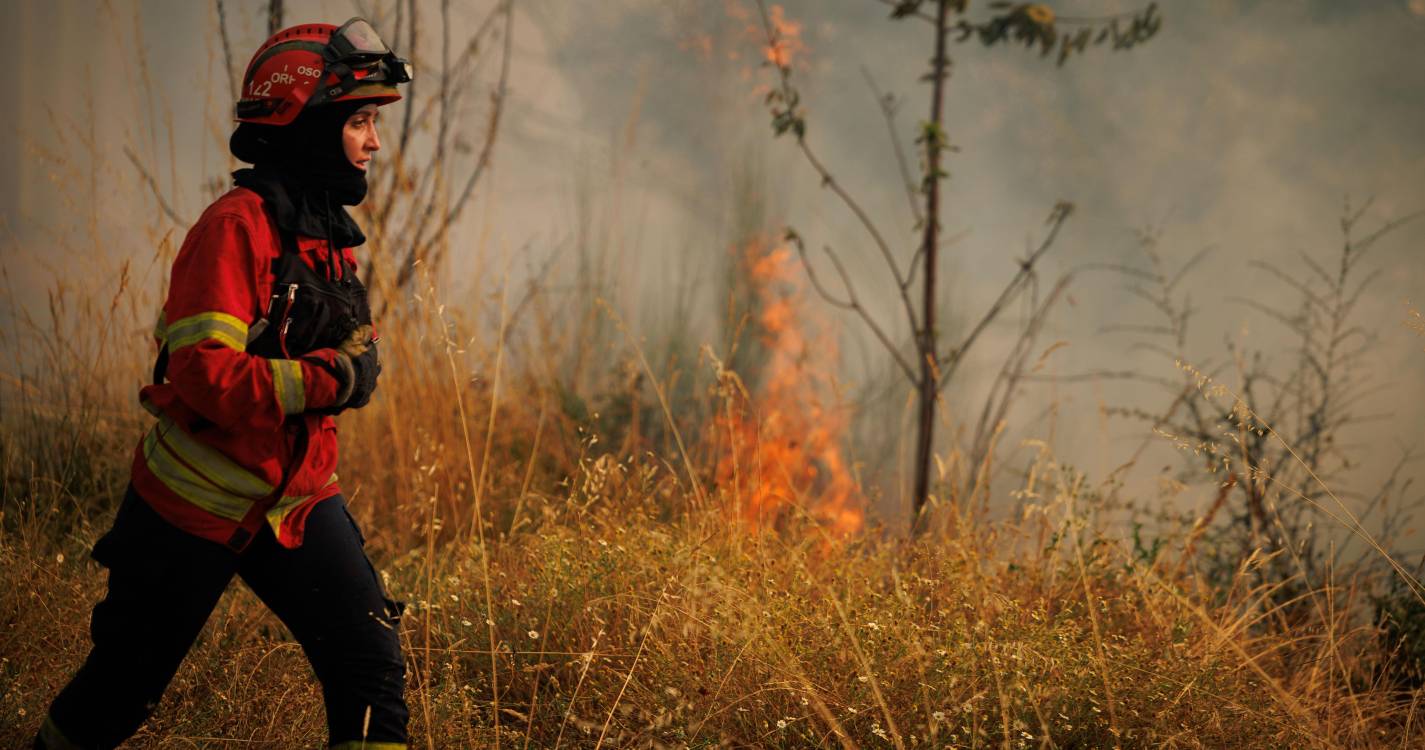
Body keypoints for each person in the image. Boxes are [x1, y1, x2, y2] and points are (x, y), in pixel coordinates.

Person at [36, 19, 413, 750]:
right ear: (305, 126)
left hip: (298, 502)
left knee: (370, 668)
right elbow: (205, 376)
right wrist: (332, 375)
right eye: (360, 122)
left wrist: (352, 358)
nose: (372, 142)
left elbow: (341, 343)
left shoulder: (322, 231)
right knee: (119, 692)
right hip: (192, 507)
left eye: (372, 122)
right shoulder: (234, 227)